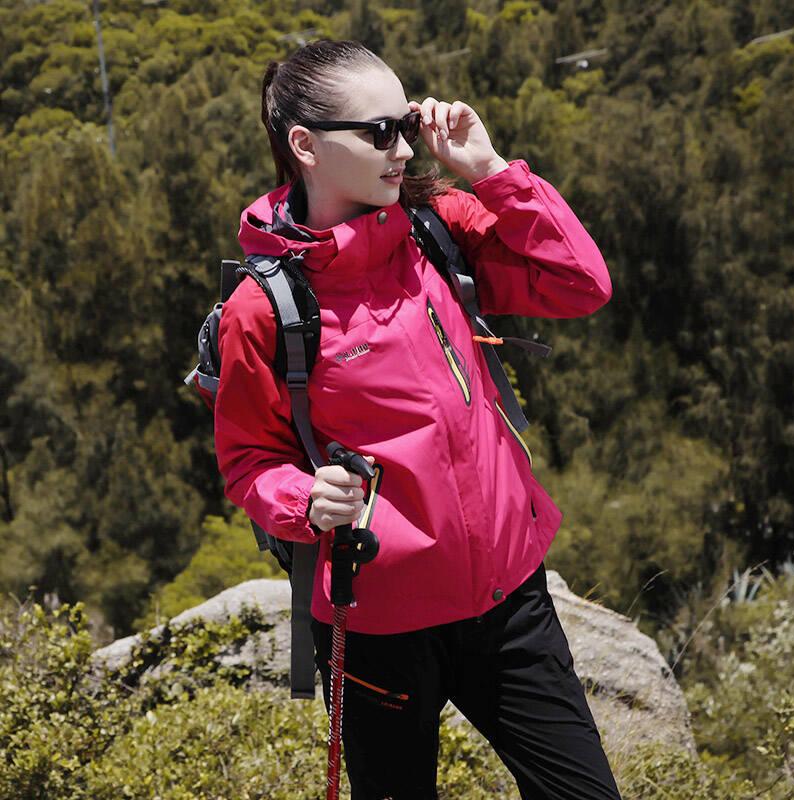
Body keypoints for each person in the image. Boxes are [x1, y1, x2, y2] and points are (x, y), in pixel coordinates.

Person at [214, 38, 622, 800]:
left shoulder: (437, 229)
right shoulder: (265, 309)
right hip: (377, 626)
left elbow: (581, 283)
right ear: (304, 145)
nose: (403, 149)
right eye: (380, 133)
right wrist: (304, 499)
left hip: (509, 598)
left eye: (405, 125)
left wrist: (490, 170)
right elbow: (247, 461)